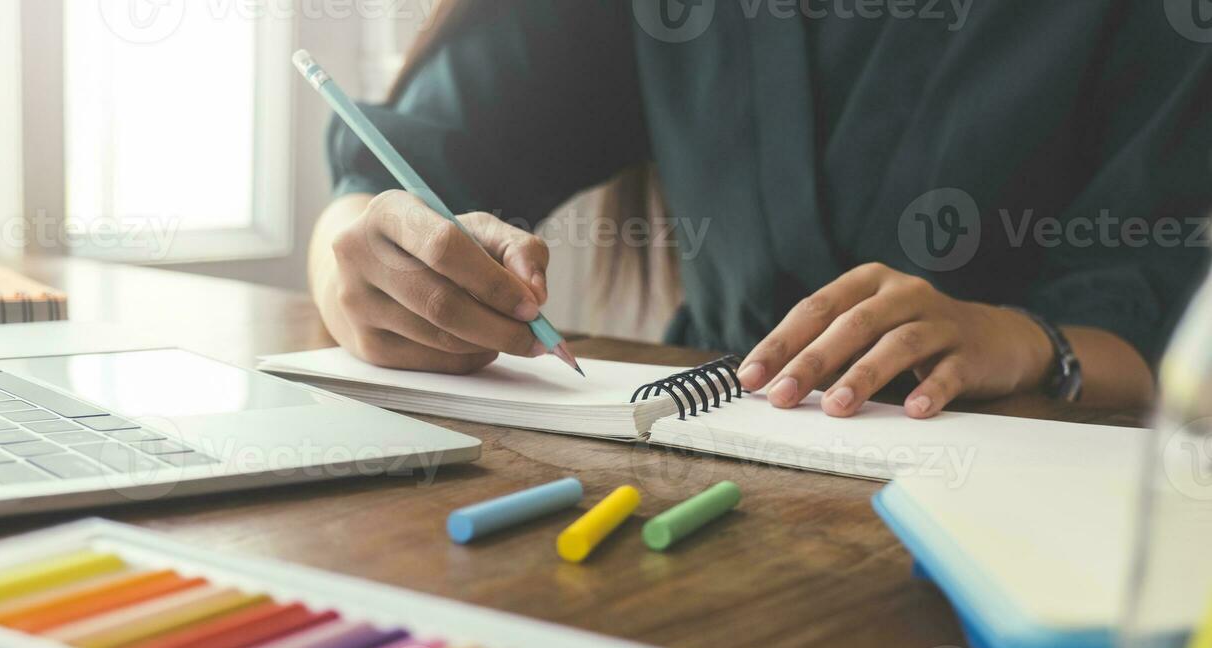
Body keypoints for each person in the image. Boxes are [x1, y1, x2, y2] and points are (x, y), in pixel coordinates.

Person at [307, 0, 1212, 419]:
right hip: (703, 462)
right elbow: (405, 167)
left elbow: (1168, 337)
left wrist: (1018, 343)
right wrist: (357, 258)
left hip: (1033, 533)